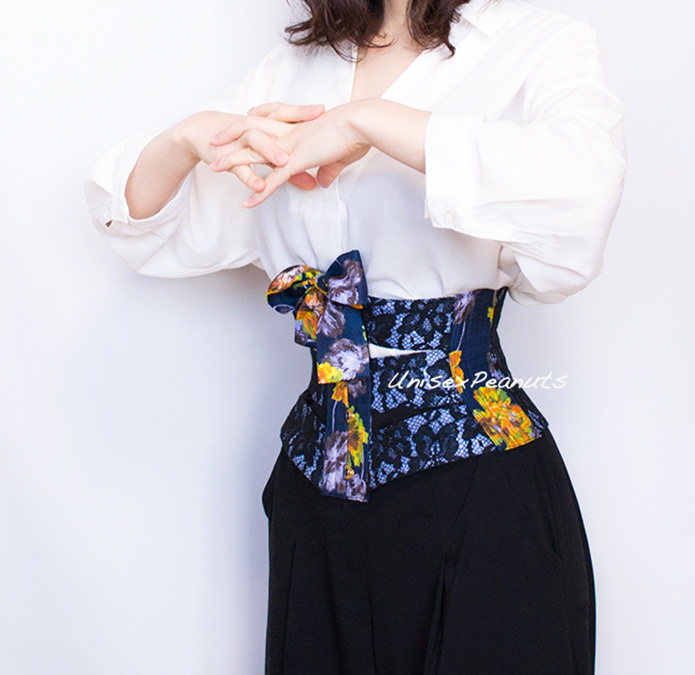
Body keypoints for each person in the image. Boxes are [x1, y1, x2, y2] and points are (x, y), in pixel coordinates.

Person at [84, 0, 627, 671]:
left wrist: (366, 121)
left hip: (482, 497)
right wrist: (185, 139)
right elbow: (143, 225)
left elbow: (581, 205)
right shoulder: (291, 71)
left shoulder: (534, 46)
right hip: (318, 502)